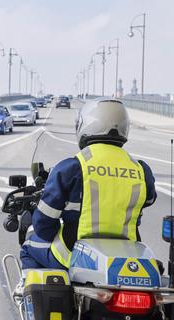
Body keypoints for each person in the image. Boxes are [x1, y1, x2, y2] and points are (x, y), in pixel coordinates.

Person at [20, 99, 157, 270]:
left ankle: (38, 296)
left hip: (74, 256)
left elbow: (44, 225)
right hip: (126, 260)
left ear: (85, 125)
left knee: (29, 246)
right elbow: (149, 200)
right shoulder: (142, 170)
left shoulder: (73, 168)